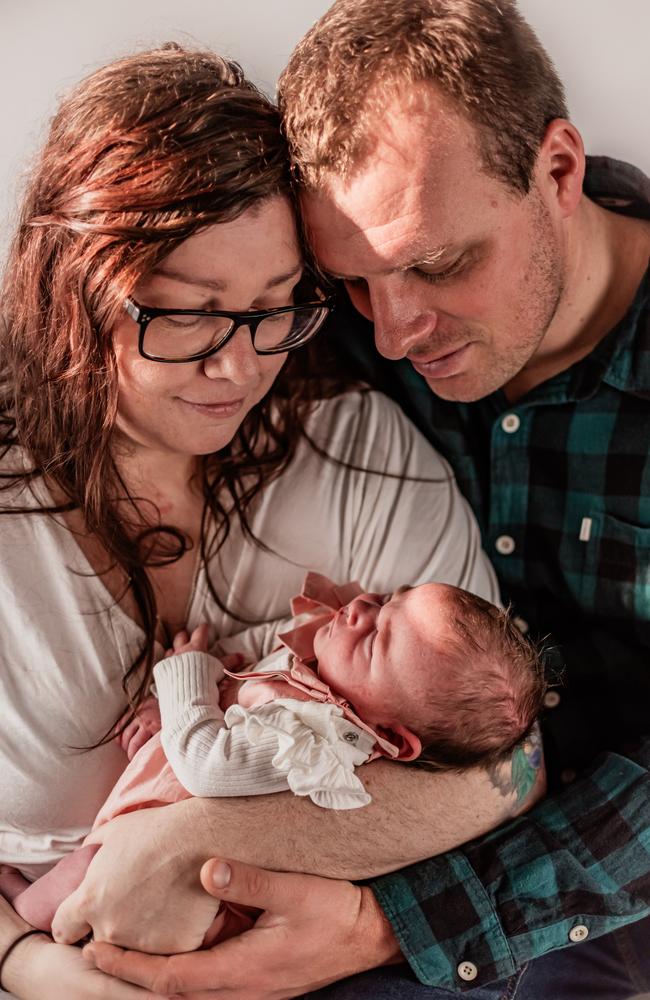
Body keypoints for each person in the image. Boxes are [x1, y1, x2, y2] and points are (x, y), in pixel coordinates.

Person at [76, 1, 650, 998]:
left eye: (436, 264)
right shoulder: (333, 333)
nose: (392, 334)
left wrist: (392, 925)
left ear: (556, 170)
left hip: (582, 886)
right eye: (351, 282)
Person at [0, 39, 541, 1000]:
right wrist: (29, 967)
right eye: (190, 315)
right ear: (71, 286)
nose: (239, 367)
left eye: (273, 309)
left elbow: (499, 765)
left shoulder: (359, 453)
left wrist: (197, 837)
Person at [5, 575, 546, 936]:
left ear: (391, 737)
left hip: (173, 862)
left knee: (78, 880)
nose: (358, 610)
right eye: (387, 601)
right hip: (163, 776)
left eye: (376, 639)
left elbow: (204, 763)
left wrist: (184, 674)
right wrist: (171, 704)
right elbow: (250, 665)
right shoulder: (331, 671)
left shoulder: (315, 739)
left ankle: (21, 926)